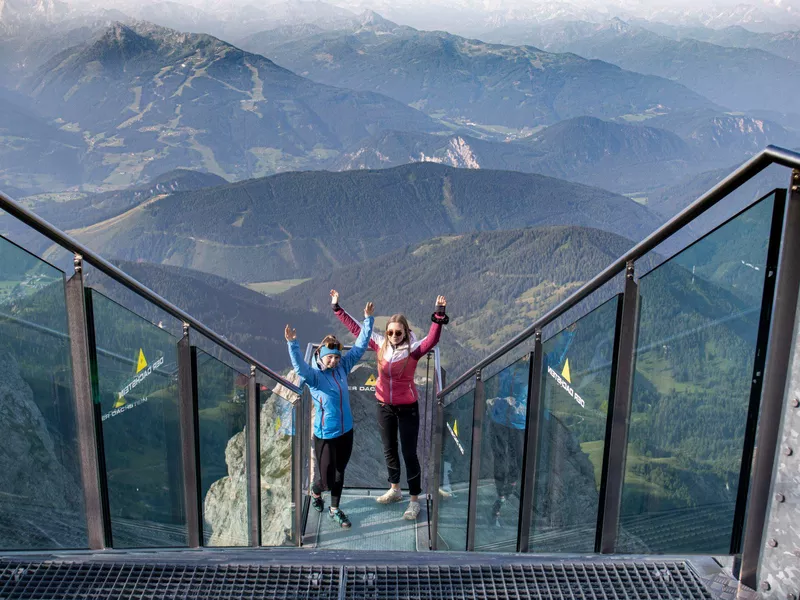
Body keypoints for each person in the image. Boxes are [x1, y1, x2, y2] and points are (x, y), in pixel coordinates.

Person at [330, 289, 448, 521]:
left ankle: (414, 500)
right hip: (383, 405)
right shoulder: (380, 344)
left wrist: (438, 314)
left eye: (398, 332)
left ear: (405, 333)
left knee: (409, 453)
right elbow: (358, 330)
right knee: (389, 449)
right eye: (391, 332)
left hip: (407, 408)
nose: (394, 335)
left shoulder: (413, 350)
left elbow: (433, 339)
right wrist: (337, 308)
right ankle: (395, 489)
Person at [284, 301, 375, 529]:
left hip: (346, 431)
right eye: (329, 357)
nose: (334, 360)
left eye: (336, 356)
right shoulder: (314, 377)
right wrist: (292, 343)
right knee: (325, 479)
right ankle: (316, 492)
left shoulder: (343, 367)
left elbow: (360, 347)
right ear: (320, 356)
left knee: (339, 473)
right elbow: (299, 369)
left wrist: (368, 320)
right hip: (325, 435)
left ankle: (335, 509)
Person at [487, 324, 576, 526]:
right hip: (498, 420)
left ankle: (510, 498)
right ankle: (500, 499)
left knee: (518, 464)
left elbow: (556, 359)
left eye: (528, 350)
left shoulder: (537, 364)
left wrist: (568, 334)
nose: (525, 355)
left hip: (518, 424)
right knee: (500, 461)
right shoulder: (505, 363)